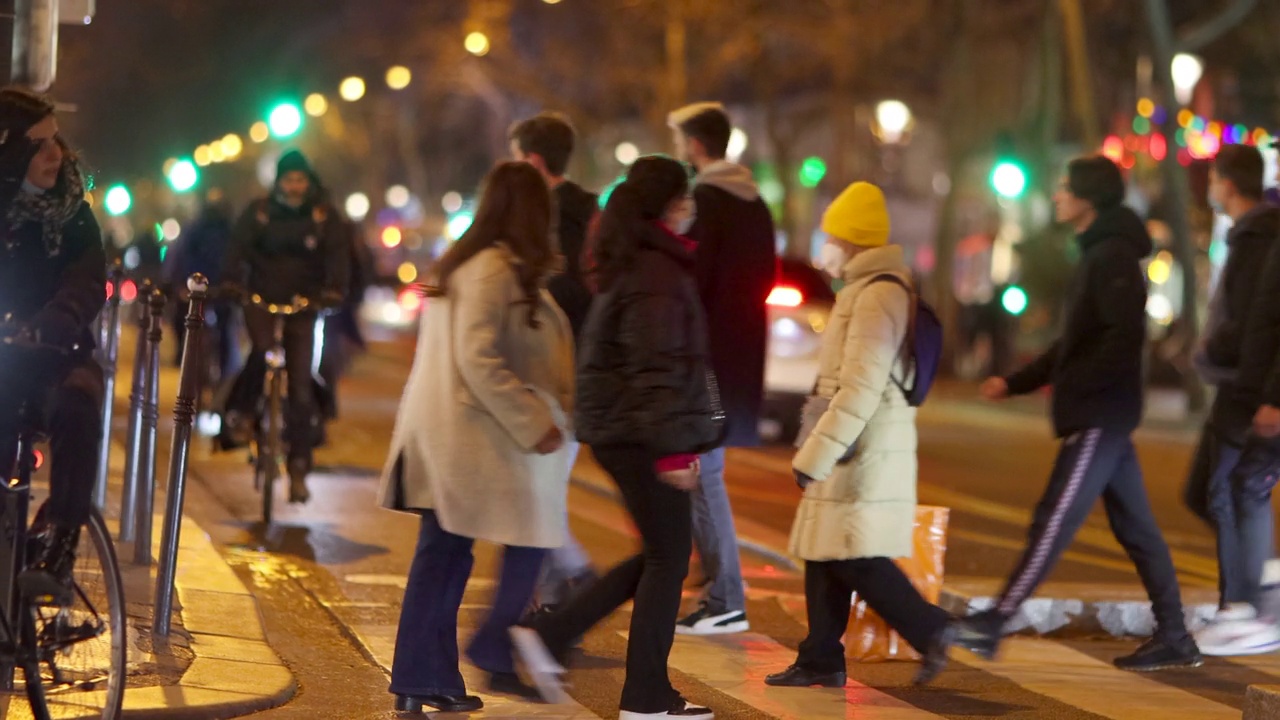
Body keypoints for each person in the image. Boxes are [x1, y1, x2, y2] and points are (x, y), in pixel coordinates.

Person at [944, 156, 1201, 671]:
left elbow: (1121, 339)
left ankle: (995, 622)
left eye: (1065, 188)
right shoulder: (1099, 253)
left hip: (1099, 415)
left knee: (1053, 521)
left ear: (1088, 198)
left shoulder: (1111, 257)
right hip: (1102, 412)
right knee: (1137, 530)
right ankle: (1175, 635)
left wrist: (1082, 391)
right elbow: (1075, 342)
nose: (1057, 195)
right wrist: (1017, 382)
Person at [511, 155, 722, 720]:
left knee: (661, 553)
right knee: (669, 556)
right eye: (686, 198)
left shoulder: (641, 262)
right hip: (642, 435)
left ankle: (556, 636)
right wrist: (675, 449)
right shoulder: (656, 272)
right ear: (667, 206)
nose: (691, 209)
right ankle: (645, 697)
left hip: (628, 430)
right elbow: (654, 366)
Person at [376, 162, 576, 715]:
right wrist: (533, 420)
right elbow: (477, 358)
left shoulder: (480, 264)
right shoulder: (491, 270)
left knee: (446, 555)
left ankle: (426, 677)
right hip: (461, 440)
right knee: (454, 554)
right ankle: (433, 670)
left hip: (458, 437)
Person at [764, 182, 953, 689]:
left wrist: (817, 452)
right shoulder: (868, 290)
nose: (826, 243)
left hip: (862, 448)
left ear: (851, 239)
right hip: (854, 444)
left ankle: (933, 630)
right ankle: (820, 657)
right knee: (827, 551)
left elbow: (861, 387)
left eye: (832, 234)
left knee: (855, 556)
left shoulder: (876, 296)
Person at [669, 102, 776, 636]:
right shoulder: (756, 203)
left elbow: (695, 282)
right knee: (703, 472)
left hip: (706, 359)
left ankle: (726, 598)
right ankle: (714, 584)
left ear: (694, 145)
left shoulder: (707, 202)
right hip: (742, 356)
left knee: (703, 474)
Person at [0, 87, 106, 605]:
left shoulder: (73, 215)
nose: (54, 155)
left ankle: (60, 545)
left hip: (56, 357)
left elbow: (86, 282)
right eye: (38, 146)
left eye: (55, 141)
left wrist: (54, 322)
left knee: (76, 404)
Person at [1181, 144, 1280, 655]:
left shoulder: (1261, 235)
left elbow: (1258, 319)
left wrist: (1270, 394)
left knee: (1232, 490)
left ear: (1228, 183)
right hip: (1243, 382)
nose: (1209, 188)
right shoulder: (1253, 235)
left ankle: (1247, 605)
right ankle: (1250, 595)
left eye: (1214, 179)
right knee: (1217, 491)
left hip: (1252, 384)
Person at [509, 112, 601, 613]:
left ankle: (574, 570)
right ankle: (544, 598)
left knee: (531, 486)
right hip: (581, 369)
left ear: (533, 160)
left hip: (540, 367)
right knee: (542, 482)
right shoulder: (595, 214)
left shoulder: (529, 217)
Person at [219, 150, 348, 504]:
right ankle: (243, 414)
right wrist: (231, 281)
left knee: (301, 384)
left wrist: (334, 290)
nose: (294, 186)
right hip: (261, 298)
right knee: (259, 352)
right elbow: (236, 249)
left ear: (309, 181)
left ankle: (300, 465)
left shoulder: (324, 216)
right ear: (277, 182)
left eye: (300, 179)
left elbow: (338, 256)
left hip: (305, 305)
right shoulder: (258, 213)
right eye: (288, 179)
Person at [165, 190, 240, 380]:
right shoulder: (225, 230)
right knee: (213, 329)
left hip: (210, 286)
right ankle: (218, 369)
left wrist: (177, 283)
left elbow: (179, 257)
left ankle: (198, 362)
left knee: (211, 328)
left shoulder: (201, 229)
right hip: (212, 286)